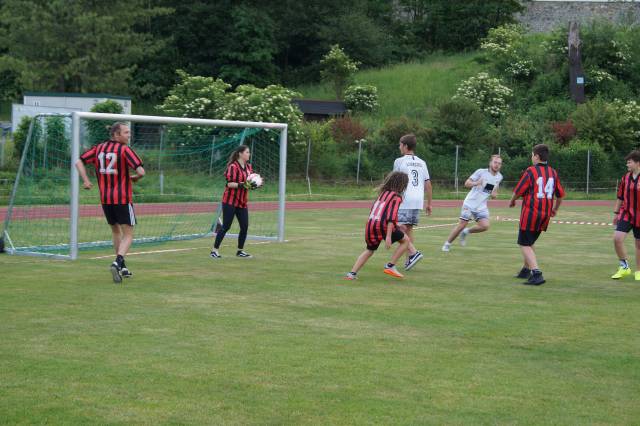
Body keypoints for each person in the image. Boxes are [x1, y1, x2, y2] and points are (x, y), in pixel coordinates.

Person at [75, 122, 145, 283]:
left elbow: (79, 161)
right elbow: (141, 171)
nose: (129, 135)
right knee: (128, 234)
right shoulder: (124, 150)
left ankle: (123, 267)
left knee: (115, 232)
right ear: (116, 135)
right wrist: (137, 177)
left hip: (105, 199)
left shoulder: (98, 148)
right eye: (126, 132)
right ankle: (118, 261)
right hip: (122, 198)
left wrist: (86, 180)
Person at [345, 171, 423, 280]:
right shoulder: (396, 197)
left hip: (371, 224)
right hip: (383, 226)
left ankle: (351, 274)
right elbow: (391, 216)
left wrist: (397, 225)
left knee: (369, 250)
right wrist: (388, 236)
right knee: (406, 241)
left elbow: (380, 211)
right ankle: (390, 266)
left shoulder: (383, 193)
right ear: (402, 184)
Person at [509, 144, 565, 285]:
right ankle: (526, 270)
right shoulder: (553, 172)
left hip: (530, 213)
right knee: (530, 241)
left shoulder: (531, 171)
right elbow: (560, 196)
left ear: (537, 156)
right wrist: (555, 209)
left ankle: (536, 273)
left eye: (532, 155)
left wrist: (512, 201)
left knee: (523, 243)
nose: (531, 157)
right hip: (544, 215)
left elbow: (519, 190)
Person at [442, 155, 503, 252]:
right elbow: (466, 183)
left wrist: (494, 194)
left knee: (485, 226)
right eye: (495, 162)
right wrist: (476, 183)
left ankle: (466, 232)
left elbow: (493, 192)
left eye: (499, 163)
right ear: (490, 163)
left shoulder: (499, 177)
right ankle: (447, 244)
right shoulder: (481, 172)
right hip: (470, 203)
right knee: (462, 224)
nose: (497, 165)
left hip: (481, 206)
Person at [210, 145, 256, 259]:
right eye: (247, 152)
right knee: (226, 226)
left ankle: (240, 251)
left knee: (244, 226)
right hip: (230, 201)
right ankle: (214, 250)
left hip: (242, 201)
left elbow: (249, 182)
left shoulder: (249, 167)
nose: (249, 154)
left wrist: (255, 184)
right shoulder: (233, 167)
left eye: (249, 152)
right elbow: (230, 184)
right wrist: (243, 185)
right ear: (240, 153)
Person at [392, 133, 429, 267]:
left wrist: (390, 198)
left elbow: (395, 181)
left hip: (405, 199)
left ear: (405, 146)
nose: (399, 147)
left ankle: (413, 253)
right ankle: (409, 260)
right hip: (418, 200)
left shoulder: (399, 161)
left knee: (395, 228)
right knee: (409, 229)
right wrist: (429, 203)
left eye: (400, 145)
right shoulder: (422, 162)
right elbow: (428, 183)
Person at [611, 150, 640, 281]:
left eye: (629, 162)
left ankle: (639, 271)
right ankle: (624, 266)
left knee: (638, 244)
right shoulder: (625, 178)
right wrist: (616, 213)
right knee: (617, 238)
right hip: (626, 213)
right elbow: (620, 196)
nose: (627, 165)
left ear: (637, 163)